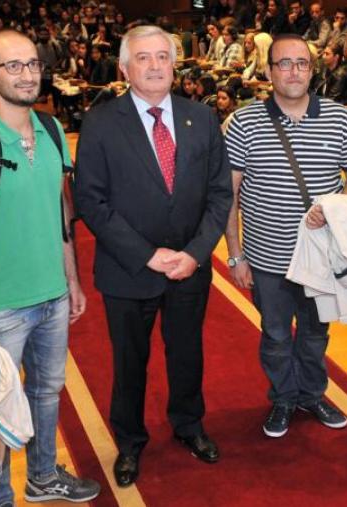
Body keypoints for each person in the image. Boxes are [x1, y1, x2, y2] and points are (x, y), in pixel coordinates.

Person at [0, 29, 101, 505]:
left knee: (47, 394)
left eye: (32, 64)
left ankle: (43, 477)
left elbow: (61, 216)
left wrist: (71, 280)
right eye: (13, 66)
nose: (27, 74)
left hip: (51, 298)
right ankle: (0, 499)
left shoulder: (52, 131)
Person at [73, 24, 232, 488]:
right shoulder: (101, 122)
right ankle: (129, 441)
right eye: (144, 58)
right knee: (128, 361)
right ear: (124, 68)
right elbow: (91, 201)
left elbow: (220, 194)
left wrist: (197, 253)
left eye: (163, 56)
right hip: (128, 270)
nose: (156, 65)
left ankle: (188, 425)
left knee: (187, 353)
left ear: (175, 63)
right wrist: (147, 255)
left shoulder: (200, 117)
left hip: (189, 268)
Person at [224, 33, 347, 439]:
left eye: (301, 64)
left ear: (312, 69)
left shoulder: (339, 117)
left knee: (315, 333)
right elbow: (228, 193)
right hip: (267, 258)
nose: (293, 71)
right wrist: (236, 256)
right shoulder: (245, 122)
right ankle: (283, 397)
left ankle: (311, 393)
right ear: (269, 71)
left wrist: (341, 204)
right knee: (274, 335)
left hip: (321, 258)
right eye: (284, 64)